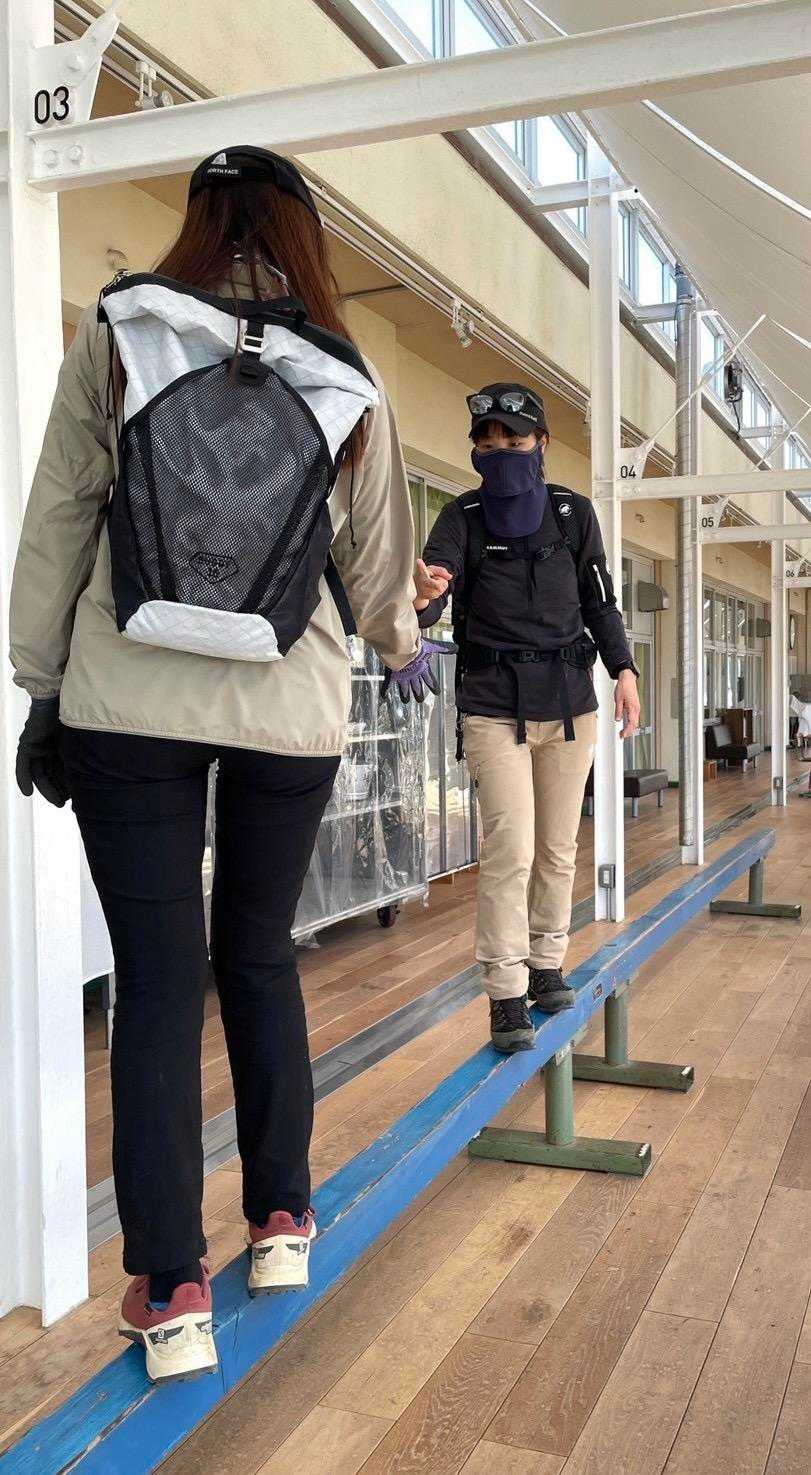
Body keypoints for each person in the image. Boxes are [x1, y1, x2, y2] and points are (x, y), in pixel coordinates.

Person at [9, 145, 444, 1383]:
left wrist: (41, 681)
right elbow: (374, 572)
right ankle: (282, 1220)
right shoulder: (344, 368)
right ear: (304, 236)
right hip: (286, 708)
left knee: (156, 982)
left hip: (128, 697)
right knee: (257, 955)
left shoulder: (122, 330)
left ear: (196, 220)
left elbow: (58, 515)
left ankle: (169, 1286)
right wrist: (401, 640)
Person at [414, 383, 640, 1053]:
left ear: (541, 442)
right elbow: (431, 598)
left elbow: (599, 602)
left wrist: (624, 669)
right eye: (487, 443)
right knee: (509, 848)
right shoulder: (461, 516)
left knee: (557, 848)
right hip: (493, 706)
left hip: (568, 705)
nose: (500, 451)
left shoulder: (573, 514)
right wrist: (422, 596)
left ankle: (547, 964)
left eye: (513, 440)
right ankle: (505, 990)